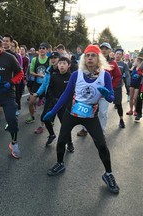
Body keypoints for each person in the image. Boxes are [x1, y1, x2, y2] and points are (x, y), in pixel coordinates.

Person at [43, 44, 119, 194]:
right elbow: (66, 95)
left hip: (91, 116)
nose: (90, 58)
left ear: (98, 58)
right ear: (84, 58)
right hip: (72, 113)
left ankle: (108, 174)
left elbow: (111, 98)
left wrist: (106, 94)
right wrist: (53, 111)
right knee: (62, 140)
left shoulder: (104, 76)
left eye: (93, 55)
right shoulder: (76, 75)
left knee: (102, 145)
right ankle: (60, 163)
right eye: (88, 55)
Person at [77, 42, 122, 136]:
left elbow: (118, 76)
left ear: (110, 50)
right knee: (87, 110)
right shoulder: (94, 60)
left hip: (103, 94)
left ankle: (101, 132)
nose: (104, 50)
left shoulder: (113, 63)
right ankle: (85, 129)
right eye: (102, 48)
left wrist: (110, 89)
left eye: (106, 48)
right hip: (91, 92)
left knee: (102, 113)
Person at [34, 57, 74, 151]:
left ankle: (70, 143)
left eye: (64, 63)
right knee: (45, 118)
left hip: (65, 105)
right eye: (60, 63)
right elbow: (50, 89)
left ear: (68, 65)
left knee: (65, 125)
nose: (62, 65)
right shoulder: (54, 76)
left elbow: (73, 91)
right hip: (54, 102)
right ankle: (52, 134)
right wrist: (53, 99)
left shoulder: (71, 77)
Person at [25, 42, 50, 124]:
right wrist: (38, 75)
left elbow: (51, 72)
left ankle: (44, 123)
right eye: (40, 48)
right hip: (36, 85)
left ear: (47, 50)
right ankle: (32, 117)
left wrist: (46, 76)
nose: (41, 50)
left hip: (46, 86)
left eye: (43, 48)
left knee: (46, 107)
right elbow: (31, 71)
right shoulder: (34, 60)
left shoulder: (49, 60)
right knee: (31, 102)